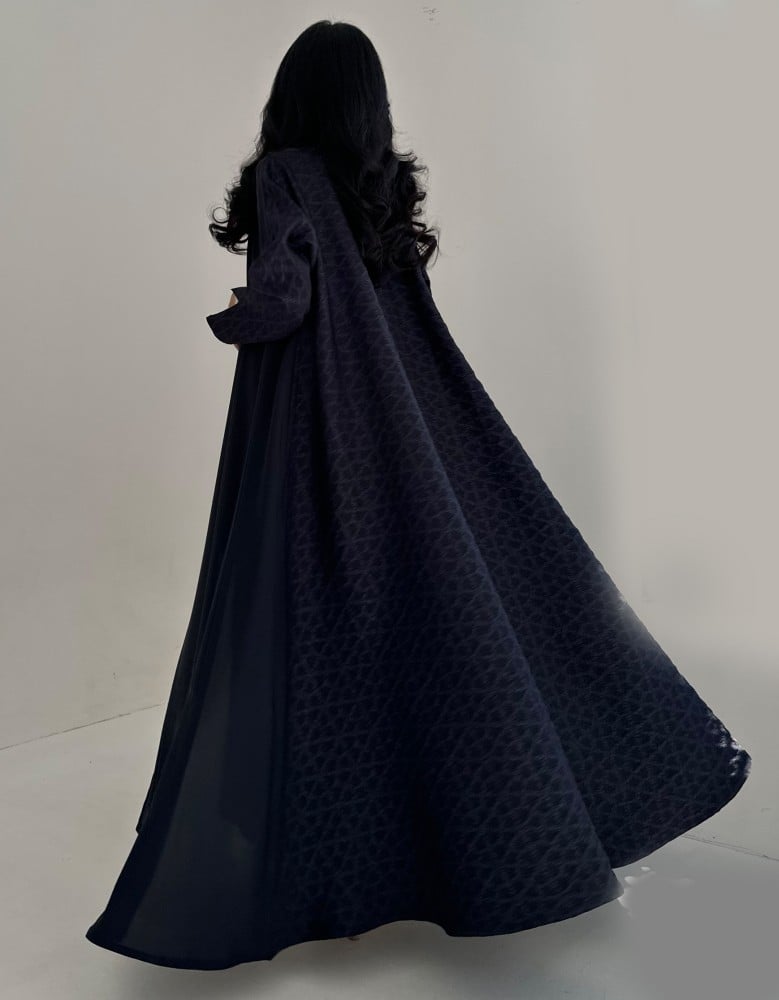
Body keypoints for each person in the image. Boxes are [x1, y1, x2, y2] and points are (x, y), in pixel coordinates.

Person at [84, 19, 751, 971]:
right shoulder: (381, 184)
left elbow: (282, 302)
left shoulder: (283, 174)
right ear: (369, 104)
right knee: (456, 613)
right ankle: (494, 836)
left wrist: (229, 316)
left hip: (318, 425)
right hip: (409, 421)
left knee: (318, 619)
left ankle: (336, 869)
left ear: (292, 95)